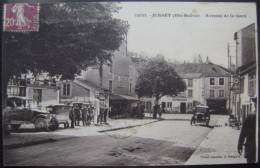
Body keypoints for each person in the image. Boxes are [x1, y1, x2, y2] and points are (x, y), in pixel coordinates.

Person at [237, 97, 257, 163]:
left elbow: (243, 132)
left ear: (255, 104)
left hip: (251, 148)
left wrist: (240, 146)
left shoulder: (251, 116)